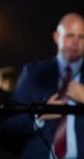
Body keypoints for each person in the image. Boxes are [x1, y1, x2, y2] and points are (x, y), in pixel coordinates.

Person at [5, 12, 84, 158]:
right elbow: (10, 125)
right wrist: (38, 116)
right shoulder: (33, 73)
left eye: (81, 37)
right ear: (56, 37)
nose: (75, 42)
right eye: (69, 35)